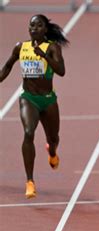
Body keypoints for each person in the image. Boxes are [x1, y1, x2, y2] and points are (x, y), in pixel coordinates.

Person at [0, 14, 69, 199]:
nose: (34, 29)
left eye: (38, 26)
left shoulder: (52, 47)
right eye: (31, 25)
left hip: (48, 99)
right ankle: (30, 182)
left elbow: (61, 71)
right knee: (29, 132)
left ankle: (52, 151)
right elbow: (7, 67)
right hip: (28, 98)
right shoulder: (20, 47)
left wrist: (45, 56)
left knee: (53, 138)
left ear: (45, 30)